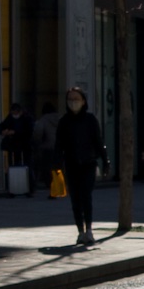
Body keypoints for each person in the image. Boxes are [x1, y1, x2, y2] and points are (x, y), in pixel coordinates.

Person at [54, 86, 108, 249]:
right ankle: (80, 231)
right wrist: (56, 166)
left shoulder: (90, 120)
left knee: (86, 196)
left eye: (76, 99)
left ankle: (89, 229)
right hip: (71, 164)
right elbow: (58, 146)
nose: (73, 102)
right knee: (75, 199)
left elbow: (99, 142)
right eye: (70, 99)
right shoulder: (64, 121)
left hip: (88, 163)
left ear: (83, 101)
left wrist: (106, 161)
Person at [0, 102, 34, 189]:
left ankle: (28, 187)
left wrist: (14, 132)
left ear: (19, 111)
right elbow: (1, 126)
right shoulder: (10, 118)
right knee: (13, 166)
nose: (14, 115)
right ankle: (14, 186)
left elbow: (28, 131)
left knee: (26, 166)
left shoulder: (26, 119)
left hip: (24, 146)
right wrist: (3, 131)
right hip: (13, 147)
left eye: (15, 113)